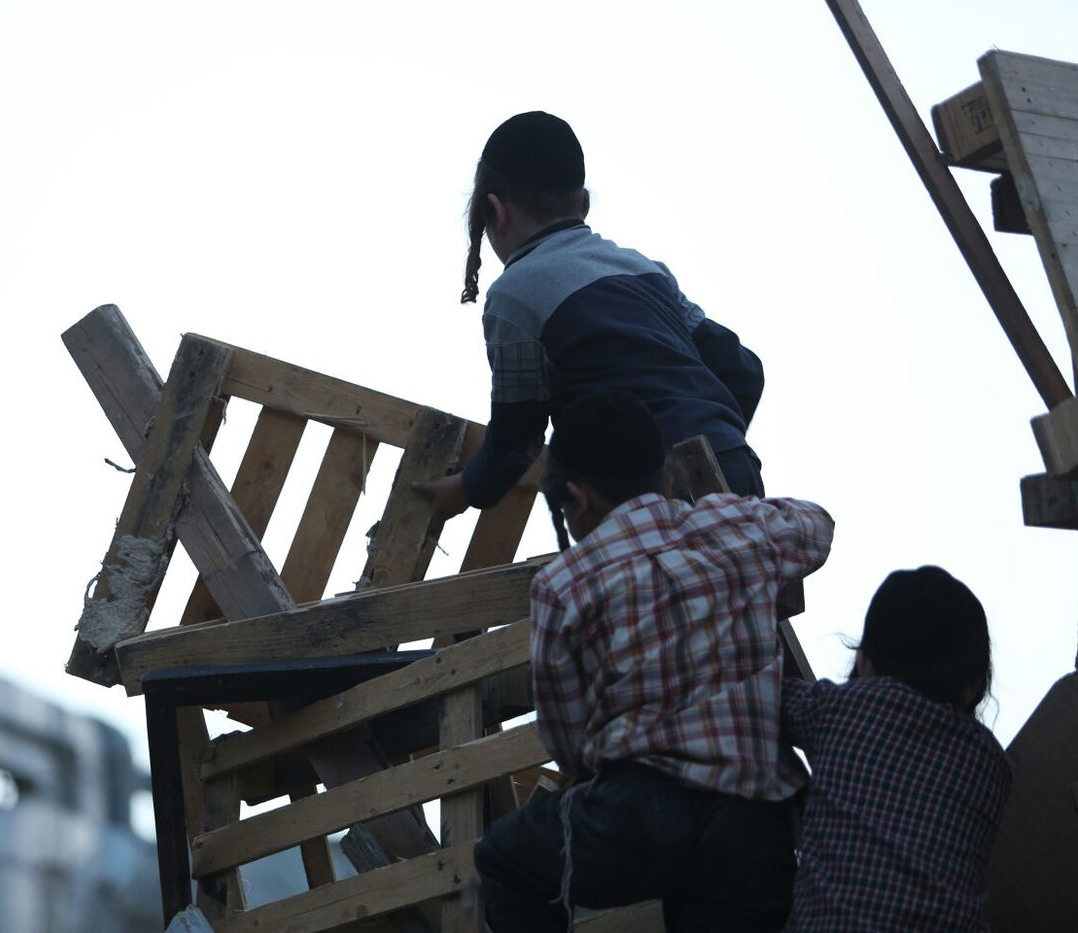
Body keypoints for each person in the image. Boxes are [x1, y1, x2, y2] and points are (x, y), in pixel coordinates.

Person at [474, 391, 834, 932]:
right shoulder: (737, 528)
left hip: (637, 816)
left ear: (577, 497)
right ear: (667, 479)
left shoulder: (562, 584)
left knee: (504, 861)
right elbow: (816, 524)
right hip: (755, 817)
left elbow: (566, 737)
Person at [416, 111, 766, 520]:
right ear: (582, 206)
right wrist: (717, 438)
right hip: (732, 466)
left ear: (495, 212)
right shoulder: (641, 268)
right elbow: (742, 370)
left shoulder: (515, 294)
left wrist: (465, 489)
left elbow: (518, 438)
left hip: (645, 490)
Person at [781, 566, 1011, 931]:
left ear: (865, 662)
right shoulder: (992, 768)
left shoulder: (841, 709)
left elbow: (767, 697)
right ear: (976, 684)